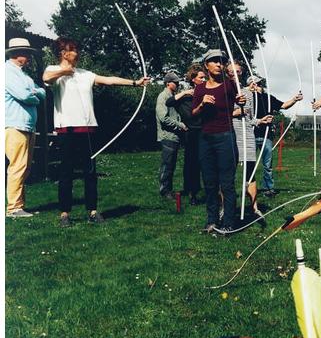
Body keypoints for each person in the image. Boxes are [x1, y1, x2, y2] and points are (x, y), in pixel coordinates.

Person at [43, 37, 150, 227]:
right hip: (66, 129)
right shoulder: (52, 70)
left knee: (90, 172)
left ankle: (92, 211)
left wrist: (135, 82)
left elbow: (109, 80)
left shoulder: (85, 74)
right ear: (63, 53)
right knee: (66, 172)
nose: (77, 52)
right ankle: (65, 214)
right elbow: (46, 79)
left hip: (88, 129)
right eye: (73, 49)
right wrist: (64, 71)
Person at [191, 48, 245, 234]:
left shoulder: (230, 84)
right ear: (206, 65)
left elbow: (241, 100)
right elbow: (194, 114)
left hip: (225, 137)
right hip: (205, 138)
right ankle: (212, 220)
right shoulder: (199, 88)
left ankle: (229, 222)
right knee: (209, 182)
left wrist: (242, 100)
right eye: (214, 61)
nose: (219, 64)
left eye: (221, 61)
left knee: (227, 183)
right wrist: (201, 103)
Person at [5, 37, 46, 218]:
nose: (29, 57)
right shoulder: (6, 71)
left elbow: (42, 91)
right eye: (27, 54)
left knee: (25, 167)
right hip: (14, 125)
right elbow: (23, 95)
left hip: (28, 126)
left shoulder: (24, 75)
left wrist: (35, 93)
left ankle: (19, 206)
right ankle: (13, 208)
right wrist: (35, 95)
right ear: (17, 54)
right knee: (17, 167)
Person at [229, 62, 270, 219]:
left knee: (251, 173)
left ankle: (254, 207)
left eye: (238, 71)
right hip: (230, 136)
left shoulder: (248, 93)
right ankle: (226, 208)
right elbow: (218, 114)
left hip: (247, 137)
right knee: (227, 175)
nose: (235, 73)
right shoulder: (224, 90)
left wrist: (261, 121)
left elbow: (250, 118)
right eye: (232, 71)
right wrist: (235, 112)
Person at [251, 79, 303, 197]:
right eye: (256, 84)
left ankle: (268, 188)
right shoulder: (248, 98)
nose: (259, 86)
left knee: (267, 165)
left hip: (266, 135)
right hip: (251, 135)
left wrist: (295, 99)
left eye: (260, 84)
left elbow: (283, 105)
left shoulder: (268, 98)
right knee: (249, 165)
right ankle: (248, 188)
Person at [164, 62, 206, 204]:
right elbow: (169, 102)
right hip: (191, 133)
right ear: (193, 79)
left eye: (204, 77)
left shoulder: (206, 92)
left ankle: (209, 192)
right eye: (201, 77)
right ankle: (192, 192)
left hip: (205, 131)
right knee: (191, 163)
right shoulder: (186, 96)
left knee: (205, 162)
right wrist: (184, 93)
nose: (203, 80)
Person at [155, 71, 188, 199]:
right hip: (167, 136)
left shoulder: (173, 96)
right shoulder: (162, 97)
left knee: (171, 164)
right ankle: (164, 191)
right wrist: (180, 125)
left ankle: (168, 190)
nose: (178, 84)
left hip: (174, 136)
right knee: (167, 165)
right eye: (175, 82)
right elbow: (163, 118)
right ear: (168, 83)